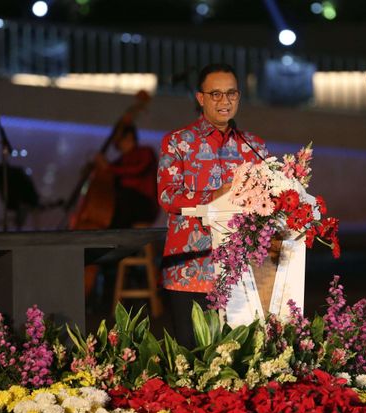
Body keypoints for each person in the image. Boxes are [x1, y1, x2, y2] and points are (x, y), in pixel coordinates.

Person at [157, 63, 268, 347]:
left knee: (239, 360)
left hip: (240, 272)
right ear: (201, 98)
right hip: (190, 269)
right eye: (215, 94)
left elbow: (268, 200)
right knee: (193, 360)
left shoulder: (253, 146)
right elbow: (168, 195)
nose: (224, 101)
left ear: (239, 97)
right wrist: (216, 195)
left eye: (231, 93)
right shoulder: (178, 143)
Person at [82, 125, 160, 298]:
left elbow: (137, 170)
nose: (120, 145)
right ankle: (113, 251)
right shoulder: (121, 159)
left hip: (144, 206)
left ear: (130, 138)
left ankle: (113, 246)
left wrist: (108, 168)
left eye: (122, 141)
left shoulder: (145, 152)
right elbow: (107, 172)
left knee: (125, 196)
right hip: (127, 210)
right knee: (122, 198)